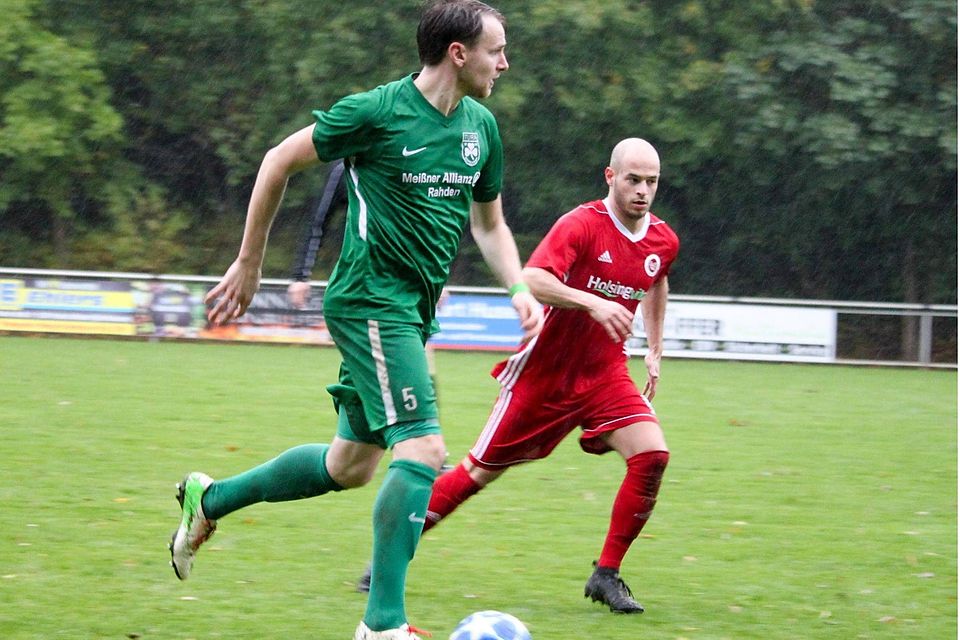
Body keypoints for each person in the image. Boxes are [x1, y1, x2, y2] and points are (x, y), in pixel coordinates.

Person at [167, 2, 543, 639]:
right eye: (495, 51)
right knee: (423, 448)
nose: (504, 63)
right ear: (458, 53)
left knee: (351, 466)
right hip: (371, 301)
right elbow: (276, 161)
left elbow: (490, 223)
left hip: (413, 312)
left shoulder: (481, 127)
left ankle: (212, 498)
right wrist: (251, 262)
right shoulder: (376, 112)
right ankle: (383, 626)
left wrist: (517, 287)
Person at [366, 137, 678, 614]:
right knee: (476, 473)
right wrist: (593, 302)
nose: (642, 191)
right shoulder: (581, 225)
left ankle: (606, 574)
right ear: (610, 176)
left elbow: (657, 280)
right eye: (633, 180)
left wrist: (654, 350)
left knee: (653, 454)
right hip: (543, 375)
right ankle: (389, 556)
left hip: (605, 374)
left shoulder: (662, 239)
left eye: (651, 182)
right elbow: (533, 278)